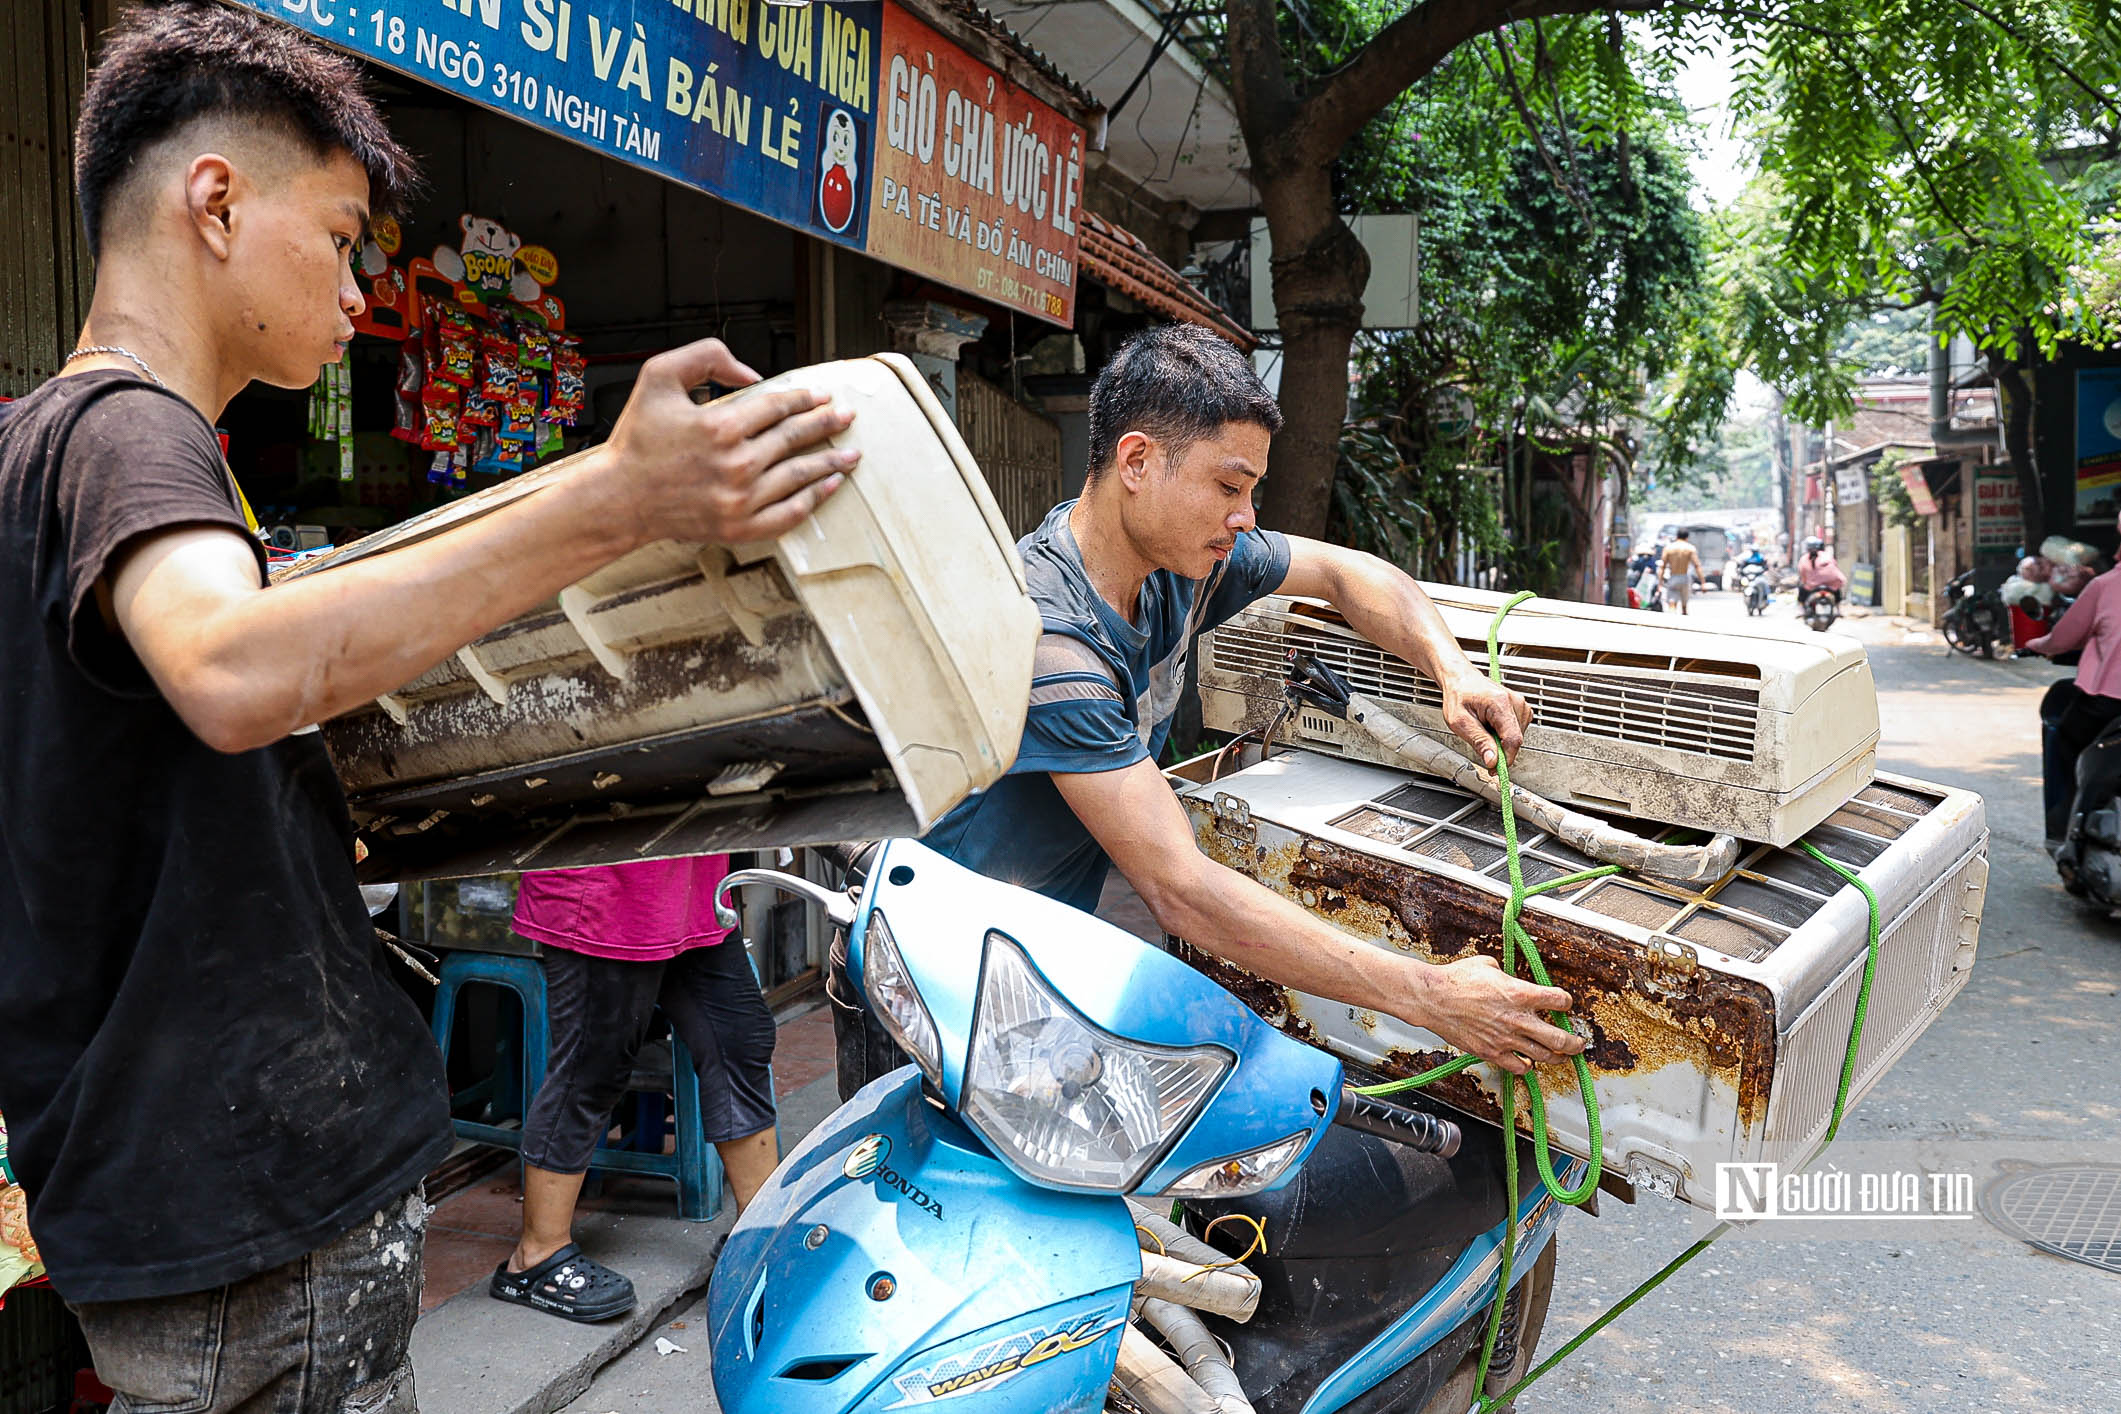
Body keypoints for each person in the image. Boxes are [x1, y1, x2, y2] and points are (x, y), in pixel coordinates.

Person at [0, 6, 854, 1410]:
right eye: (341, 238)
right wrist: (616, 498)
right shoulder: (132, 433)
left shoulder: (37, 447)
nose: (356, 295)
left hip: (169, 1196)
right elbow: (229, 669)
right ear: (215, 201)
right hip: (253, 1210)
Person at [832, 325, 1583, 1100]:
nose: (1246, 516)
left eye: (1250, 491)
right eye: (1229, 488)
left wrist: (1454, 672)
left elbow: (1343, 571)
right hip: (924, 984)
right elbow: (1179, 889)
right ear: (1136, 462)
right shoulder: (1048, 642)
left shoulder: (1179, 567)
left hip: (1025, 967)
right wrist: (1430, 996)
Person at [492, 856, 777, 1323]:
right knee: (592, 1067)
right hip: (605, 895)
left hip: (693, 892)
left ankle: (759, 1233)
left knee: (739, 1040)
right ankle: (535, 1257)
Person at [2027, 514, 2121, 842]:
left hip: (2107, 702)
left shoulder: (2105, 586)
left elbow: (2063, 638)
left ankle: (2063, 828)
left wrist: (2037, 644)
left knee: (2064, 739)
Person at [1659, 529, 1704, 615]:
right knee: (1684, 606)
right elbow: (1697, 566)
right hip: (1685, 578)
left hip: (1673, 578)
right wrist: (1703, 583)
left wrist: (1660, 583)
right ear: (1687, 537)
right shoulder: (1690, 548)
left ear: (1677, 536)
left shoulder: (1669, 548)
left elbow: (1662, 567)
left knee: (1672, 604)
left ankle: (1672, 619)